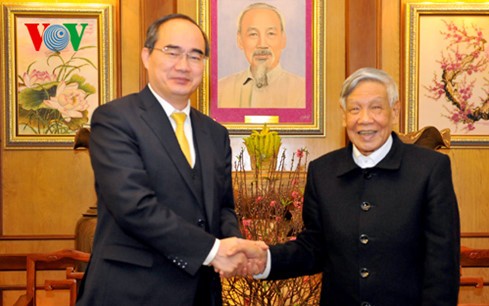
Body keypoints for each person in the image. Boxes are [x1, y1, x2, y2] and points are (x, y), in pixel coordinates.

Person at [76, 14, 265, 306]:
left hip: (200, 293)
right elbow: (134, 207)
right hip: (130, 292)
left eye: (194, 55)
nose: (183, 65)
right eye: (172, 52)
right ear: (146, 55)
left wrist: (235, 244)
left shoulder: (215, 133)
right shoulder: (114, 119)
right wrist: (215, 251)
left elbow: (223, 207)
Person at [232, 67, 461, 305]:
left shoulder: (429, 169)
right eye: (355, 109)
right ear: (344, 115)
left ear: (395, 111)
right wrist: (266, 259)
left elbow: (442, 265)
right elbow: (314, 247)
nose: (365, 119)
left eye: (376, 107)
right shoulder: (323, 172)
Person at [218, 2, 306, 108]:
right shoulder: (220, 90)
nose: (262, 44)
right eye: (253, 34)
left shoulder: (304, 91)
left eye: (271, 34)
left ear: (283, 40)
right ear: (240, 40)